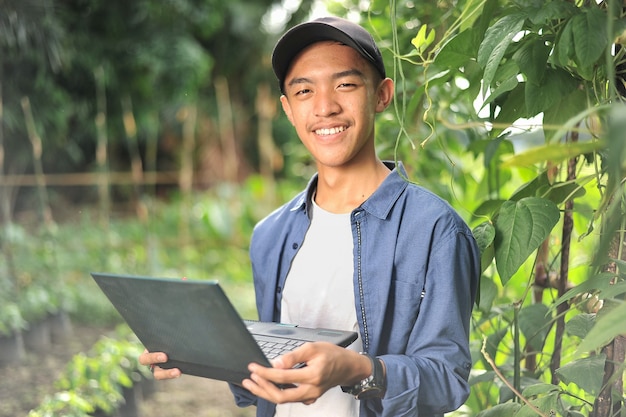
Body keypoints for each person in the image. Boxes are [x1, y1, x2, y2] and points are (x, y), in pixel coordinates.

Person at [140, 16, 480, 417]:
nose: (324, 107)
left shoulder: (436, 231)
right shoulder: (272, 234)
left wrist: (358, 369)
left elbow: (447, 381)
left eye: (345, 84)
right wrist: (202, 348)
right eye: (304, 90)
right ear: (287, 108)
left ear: (382, 95)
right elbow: (266, 381)